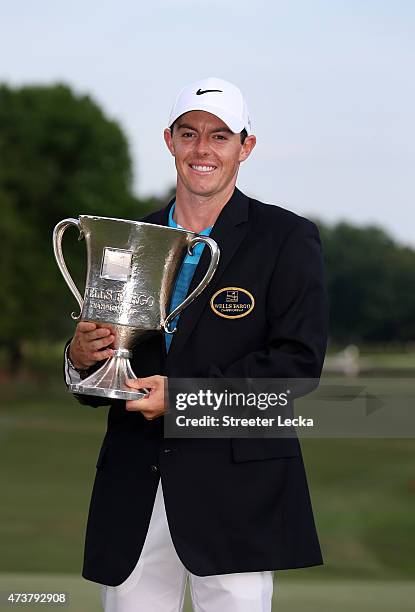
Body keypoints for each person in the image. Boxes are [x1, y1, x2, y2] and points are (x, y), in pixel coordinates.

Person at [64, 77, 328, 612]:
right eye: (189, 134)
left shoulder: (286, 238)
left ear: (244, 148)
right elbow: (102, 379)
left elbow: (296, 367)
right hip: (134, 486)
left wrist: (183, 398)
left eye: (220, 136)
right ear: (169, 140)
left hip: (237, 491)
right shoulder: (130, 238)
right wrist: (81, 357)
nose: (202, 149)